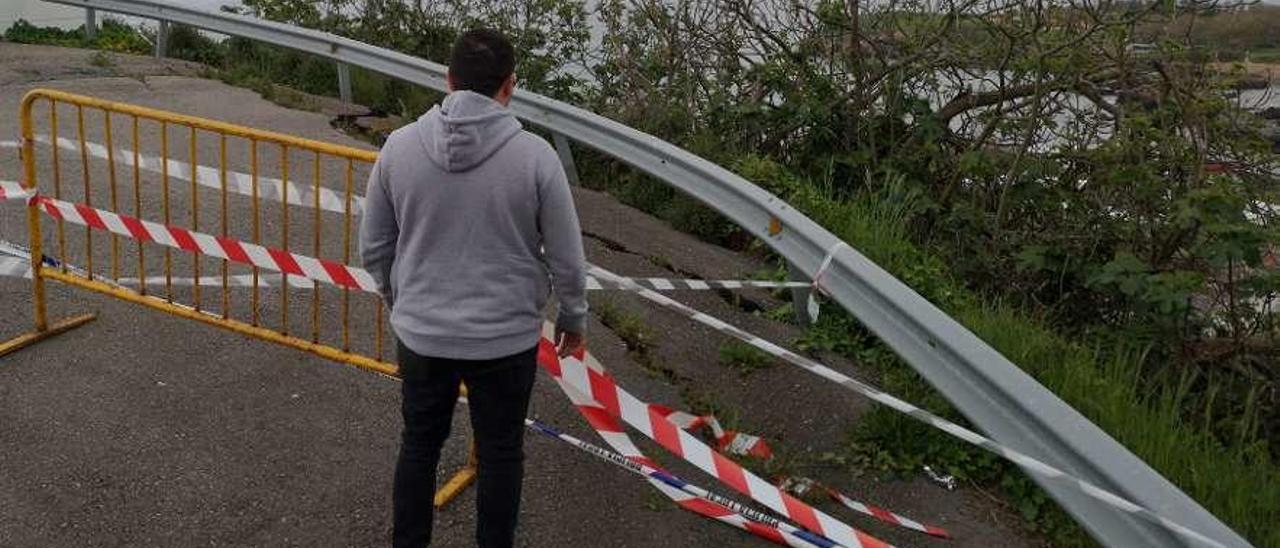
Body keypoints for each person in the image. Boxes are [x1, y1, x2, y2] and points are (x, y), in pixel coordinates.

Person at [358, 28, 588, 548]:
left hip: (422, 335)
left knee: (419, 446)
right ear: (510, 86)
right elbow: (568, 259)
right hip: (505, 340)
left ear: (448, 79)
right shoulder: (536, 158)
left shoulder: (398, 148)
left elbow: (373, 246)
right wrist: (573, 317)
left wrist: (405, 302)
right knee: (502, 451)